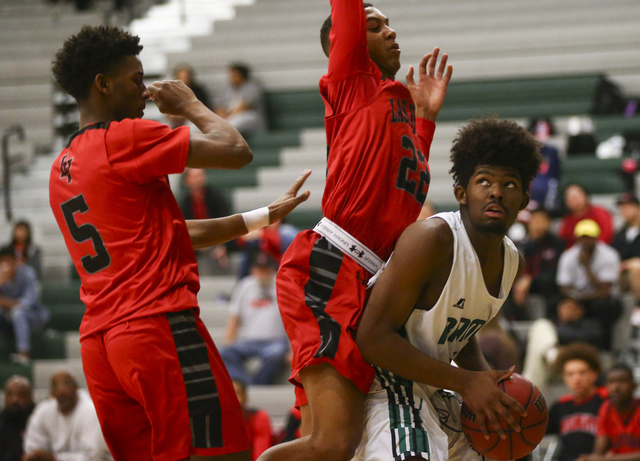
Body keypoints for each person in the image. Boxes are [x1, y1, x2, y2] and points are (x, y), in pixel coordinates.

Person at [49, 25, 311, 461]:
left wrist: (261, 216)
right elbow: (235, 149)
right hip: (156, 327)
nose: (144, 90)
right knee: (223, 455)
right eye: (136, 79)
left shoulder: (61, 168)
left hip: (101, 345)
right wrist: (190, 104)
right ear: (103, 84)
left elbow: (172, 234)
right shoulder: (123, 136)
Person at [258, 2, 452, 460]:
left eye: (389, 22)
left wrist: (426, 117)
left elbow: (405, 191)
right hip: (329, 266)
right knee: (336, 444)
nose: (390, 30)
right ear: (342, 44)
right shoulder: (352, 83)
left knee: (325, 444)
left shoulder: (395, 105)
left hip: (366, 278)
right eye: (373, 25)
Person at [353, 118, 542, 461]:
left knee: (514, 448)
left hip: (436, 388)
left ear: (524, 199)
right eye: (484, 181)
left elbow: (457, 330)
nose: (496, 191)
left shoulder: (514, 263)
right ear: (462, 193)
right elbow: (372, 339)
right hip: (383, 385)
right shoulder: (432, 239)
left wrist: (490, 388)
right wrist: (469, 383)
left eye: (509, 184)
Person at [220, 252, 289, 385]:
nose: (262, 273)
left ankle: (255, 385)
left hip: (275, 342)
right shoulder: (245, 286)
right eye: (259, 269)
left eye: (266, 269)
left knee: (275, 354)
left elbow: (292, 320)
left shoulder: (282, 285)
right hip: (249, 341)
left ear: (272, 269)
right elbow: (235, 317)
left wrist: (293, 351)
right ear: (253, 270)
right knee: (223, 352)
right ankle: (244, 382)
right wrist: (229, 341)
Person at [556, 219, 622, 348]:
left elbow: (605, 290)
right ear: (577, 239)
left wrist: (586, 267)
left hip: (602, 300)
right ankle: (564, 344)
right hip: (578, 297)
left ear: (597, 238)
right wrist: (574, 302)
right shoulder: (568, 256)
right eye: (582, 238)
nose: (586, 242)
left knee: (602, 306)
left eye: (589, 238)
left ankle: (605, 348)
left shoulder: (609, 255)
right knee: (556, 304)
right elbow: (563, 286)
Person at [522, 297, 605, 394]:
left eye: (571, 307)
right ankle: (552, 354)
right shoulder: (552, 326)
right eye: (564, 307)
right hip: (551, 365)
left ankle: (554, 356)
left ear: (580, 311)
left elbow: (587, 341)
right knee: (541, 325)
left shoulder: (591, 326)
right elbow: (526, 346)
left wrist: (563, 350)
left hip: (571, 365)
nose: (567, 311)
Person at [23, 370, 111, 461]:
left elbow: (93, 457)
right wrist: (35, 455)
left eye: (66, 384)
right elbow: (32, 447)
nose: (61, 389)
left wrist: (54, 458)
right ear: (52, 393)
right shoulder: (43, 410)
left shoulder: (90, 410)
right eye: (56, 386)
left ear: (76, 387)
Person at [547, 343, 607, 461]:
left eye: (582, 373)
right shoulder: (560, 406)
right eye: (570, 374)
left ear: (594, 375)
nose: (576, 379)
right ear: (564, 378)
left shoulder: (606, 402)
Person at [511, 207, 565, 318]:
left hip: (549, 287)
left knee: (546, 283)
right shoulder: (525, 245)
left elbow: (555, 273)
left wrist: (530, 280)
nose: (537, 225)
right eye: (534, 221)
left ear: (549, 223)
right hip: (527, 285)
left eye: (541, 220)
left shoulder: (557, 244)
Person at [578, 364, 640, 461]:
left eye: (622, 381)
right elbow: (599, 451)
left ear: (634, 385)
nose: (616, 387)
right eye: (611, 382)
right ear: (606, 386)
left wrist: (608, 459)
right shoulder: (606, 408)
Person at [0, 246, 49, 364]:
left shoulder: (28, 273)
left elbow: (28, 302)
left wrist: (3, 302)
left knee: (18, 312)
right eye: (3, 261)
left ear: (16, 260)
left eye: (9, 260)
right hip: (7, 319)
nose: (6, 264)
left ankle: (24, 354)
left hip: (33, 317)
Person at [179, 167, 232, 274]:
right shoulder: (184, 203)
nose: (199, 179)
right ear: (187, 180)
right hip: (197, 244)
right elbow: (183, 228)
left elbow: (227, 221)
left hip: (218, 239)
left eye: (200, 175)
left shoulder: (216, 196)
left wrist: (222, 245)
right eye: (195, 176)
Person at [215, 63, 266, 138]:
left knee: (230, 125)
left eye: (234, 75)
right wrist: (220, 115)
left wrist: (226, 116)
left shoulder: (252, 88)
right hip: (229, 117)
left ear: (241, 76)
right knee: (197, 126)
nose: (231, 78)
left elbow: (244, 107)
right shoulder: (227, 89)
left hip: (249, 117)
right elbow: (219, 107)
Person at [611, 192, 640, 314]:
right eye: (622, 207)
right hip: (624, 274)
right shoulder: (620, 234)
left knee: (636, 268)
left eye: (628, 206)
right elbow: (614, 256)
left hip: (636, 271)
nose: (624, 210)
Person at [558, 183, 614, 248]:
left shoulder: (599, 213)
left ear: (585, 196)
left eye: (577, 197)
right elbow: (565, 241)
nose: (575, 201)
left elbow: (607, 235)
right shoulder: (567, 220)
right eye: (570, 198)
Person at [232, 379, 273, 461]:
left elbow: (261, 456)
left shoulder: (259, 417)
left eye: (237, 393)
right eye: (227, 394)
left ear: (245, 397)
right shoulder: (215, 422)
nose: (232, 398)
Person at [527, 117, 561, 214]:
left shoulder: (552, 152)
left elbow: (555, 175)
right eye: (536, 132)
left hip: (545, 201)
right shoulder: (522, 152)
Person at [167, 64, 214, 129]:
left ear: (190, 78)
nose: (183, 81)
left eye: (185, 78)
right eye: (181, 78)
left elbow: (203, 110)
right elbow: (168, 113)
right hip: (175, 121)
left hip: (194, 120)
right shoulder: (171, 92)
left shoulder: (198, 91)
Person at [0, 375, 35, 461]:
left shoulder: (39, 418)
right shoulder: (2, 420)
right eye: (10, 394)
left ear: (30, 396)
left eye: (20, 395)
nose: (14, 400)